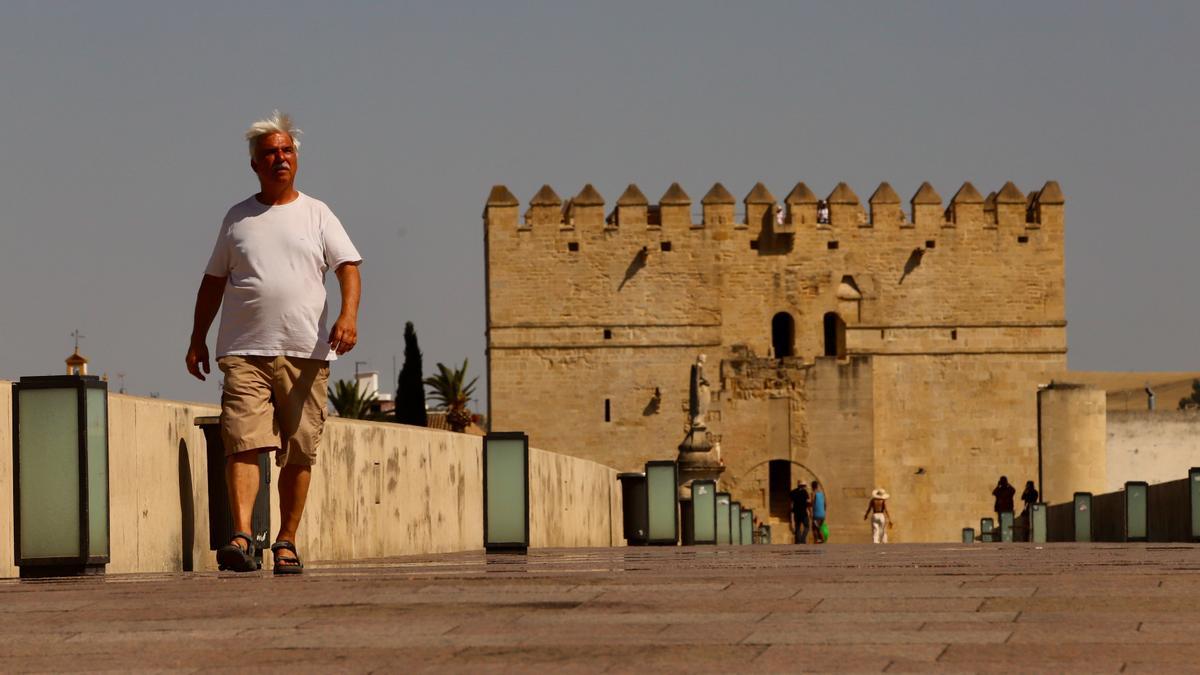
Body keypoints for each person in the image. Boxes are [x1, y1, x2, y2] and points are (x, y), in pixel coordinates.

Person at [186, 111, 362, 575]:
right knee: (242, 442)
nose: (279, 158)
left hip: (305, 352)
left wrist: (347, 316)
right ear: (255, 165)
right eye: (269, 153)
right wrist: (197, 339)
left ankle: (286, 540)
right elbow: (212, 283)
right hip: (244, 350)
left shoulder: (318, 213)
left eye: (286, 151)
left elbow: (348, 267)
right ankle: (242, 536)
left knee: (301, 449)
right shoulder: (237, 218)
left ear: (296, 159)